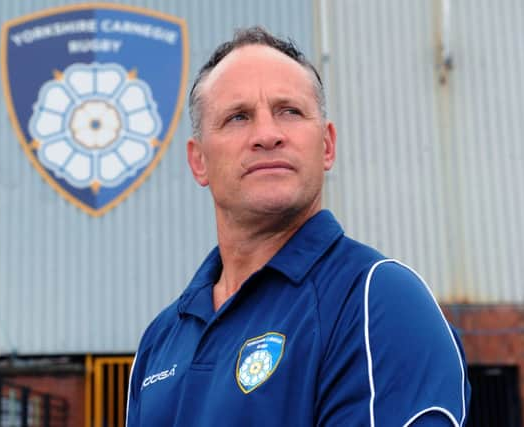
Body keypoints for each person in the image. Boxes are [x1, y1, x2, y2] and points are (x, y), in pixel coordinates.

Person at [126, 26, 470, 426]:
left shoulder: (377, 300)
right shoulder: (161, 341)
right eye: (238, 117)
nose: (267, 135)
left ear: (326, 145)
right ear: (198, 160)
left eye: (289, 111)